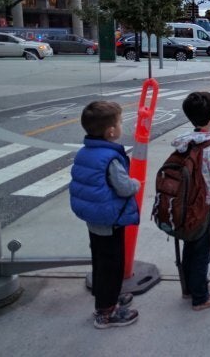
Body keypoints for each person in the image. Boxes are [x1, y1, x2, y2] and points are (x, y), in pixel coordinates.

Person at [69, 101, 141, 329]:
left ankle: (106, 296)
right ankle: (106, 312)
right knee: (112, 265)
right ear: (111, 131)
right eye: (120, 122)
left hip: (94, 220)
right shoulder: (110, 158)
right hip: (110, 221)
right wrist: (136, 184)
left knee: (100, 262)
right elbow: (124, 187)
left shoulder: (85, 152)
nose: (121, 126)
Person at [172, 91, 210, 310]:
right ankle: (200, 296)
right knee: (201, 253)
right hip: (204, 210)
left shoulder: (184, 142)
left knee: (190, 247)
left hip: (184, 207)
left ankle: (189, 287)